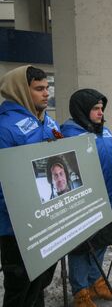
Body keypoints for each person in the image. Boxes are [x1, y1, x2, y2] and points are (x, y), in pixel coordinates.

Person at [61, 88, 112, 306]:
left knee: (102, 241)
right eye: (95, 109)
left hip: (108, 199)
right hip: (86, 205)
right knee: (82, 248)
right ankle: (81, 292)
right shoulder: (69, 135)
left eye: (101, 108)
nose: (100, 113)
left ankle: (96, 282)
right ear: (82, 110)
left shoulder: (103, 132)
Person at [0, 65, 59, 306]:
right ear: (20, 91)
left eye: (47, 88)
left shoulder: (47, 120)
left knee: (39, 282)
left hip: (47, 216)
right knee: (20, 288)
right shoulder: (5, 127)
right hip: (17, 226)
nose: (46, 93)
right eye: (38, 89)